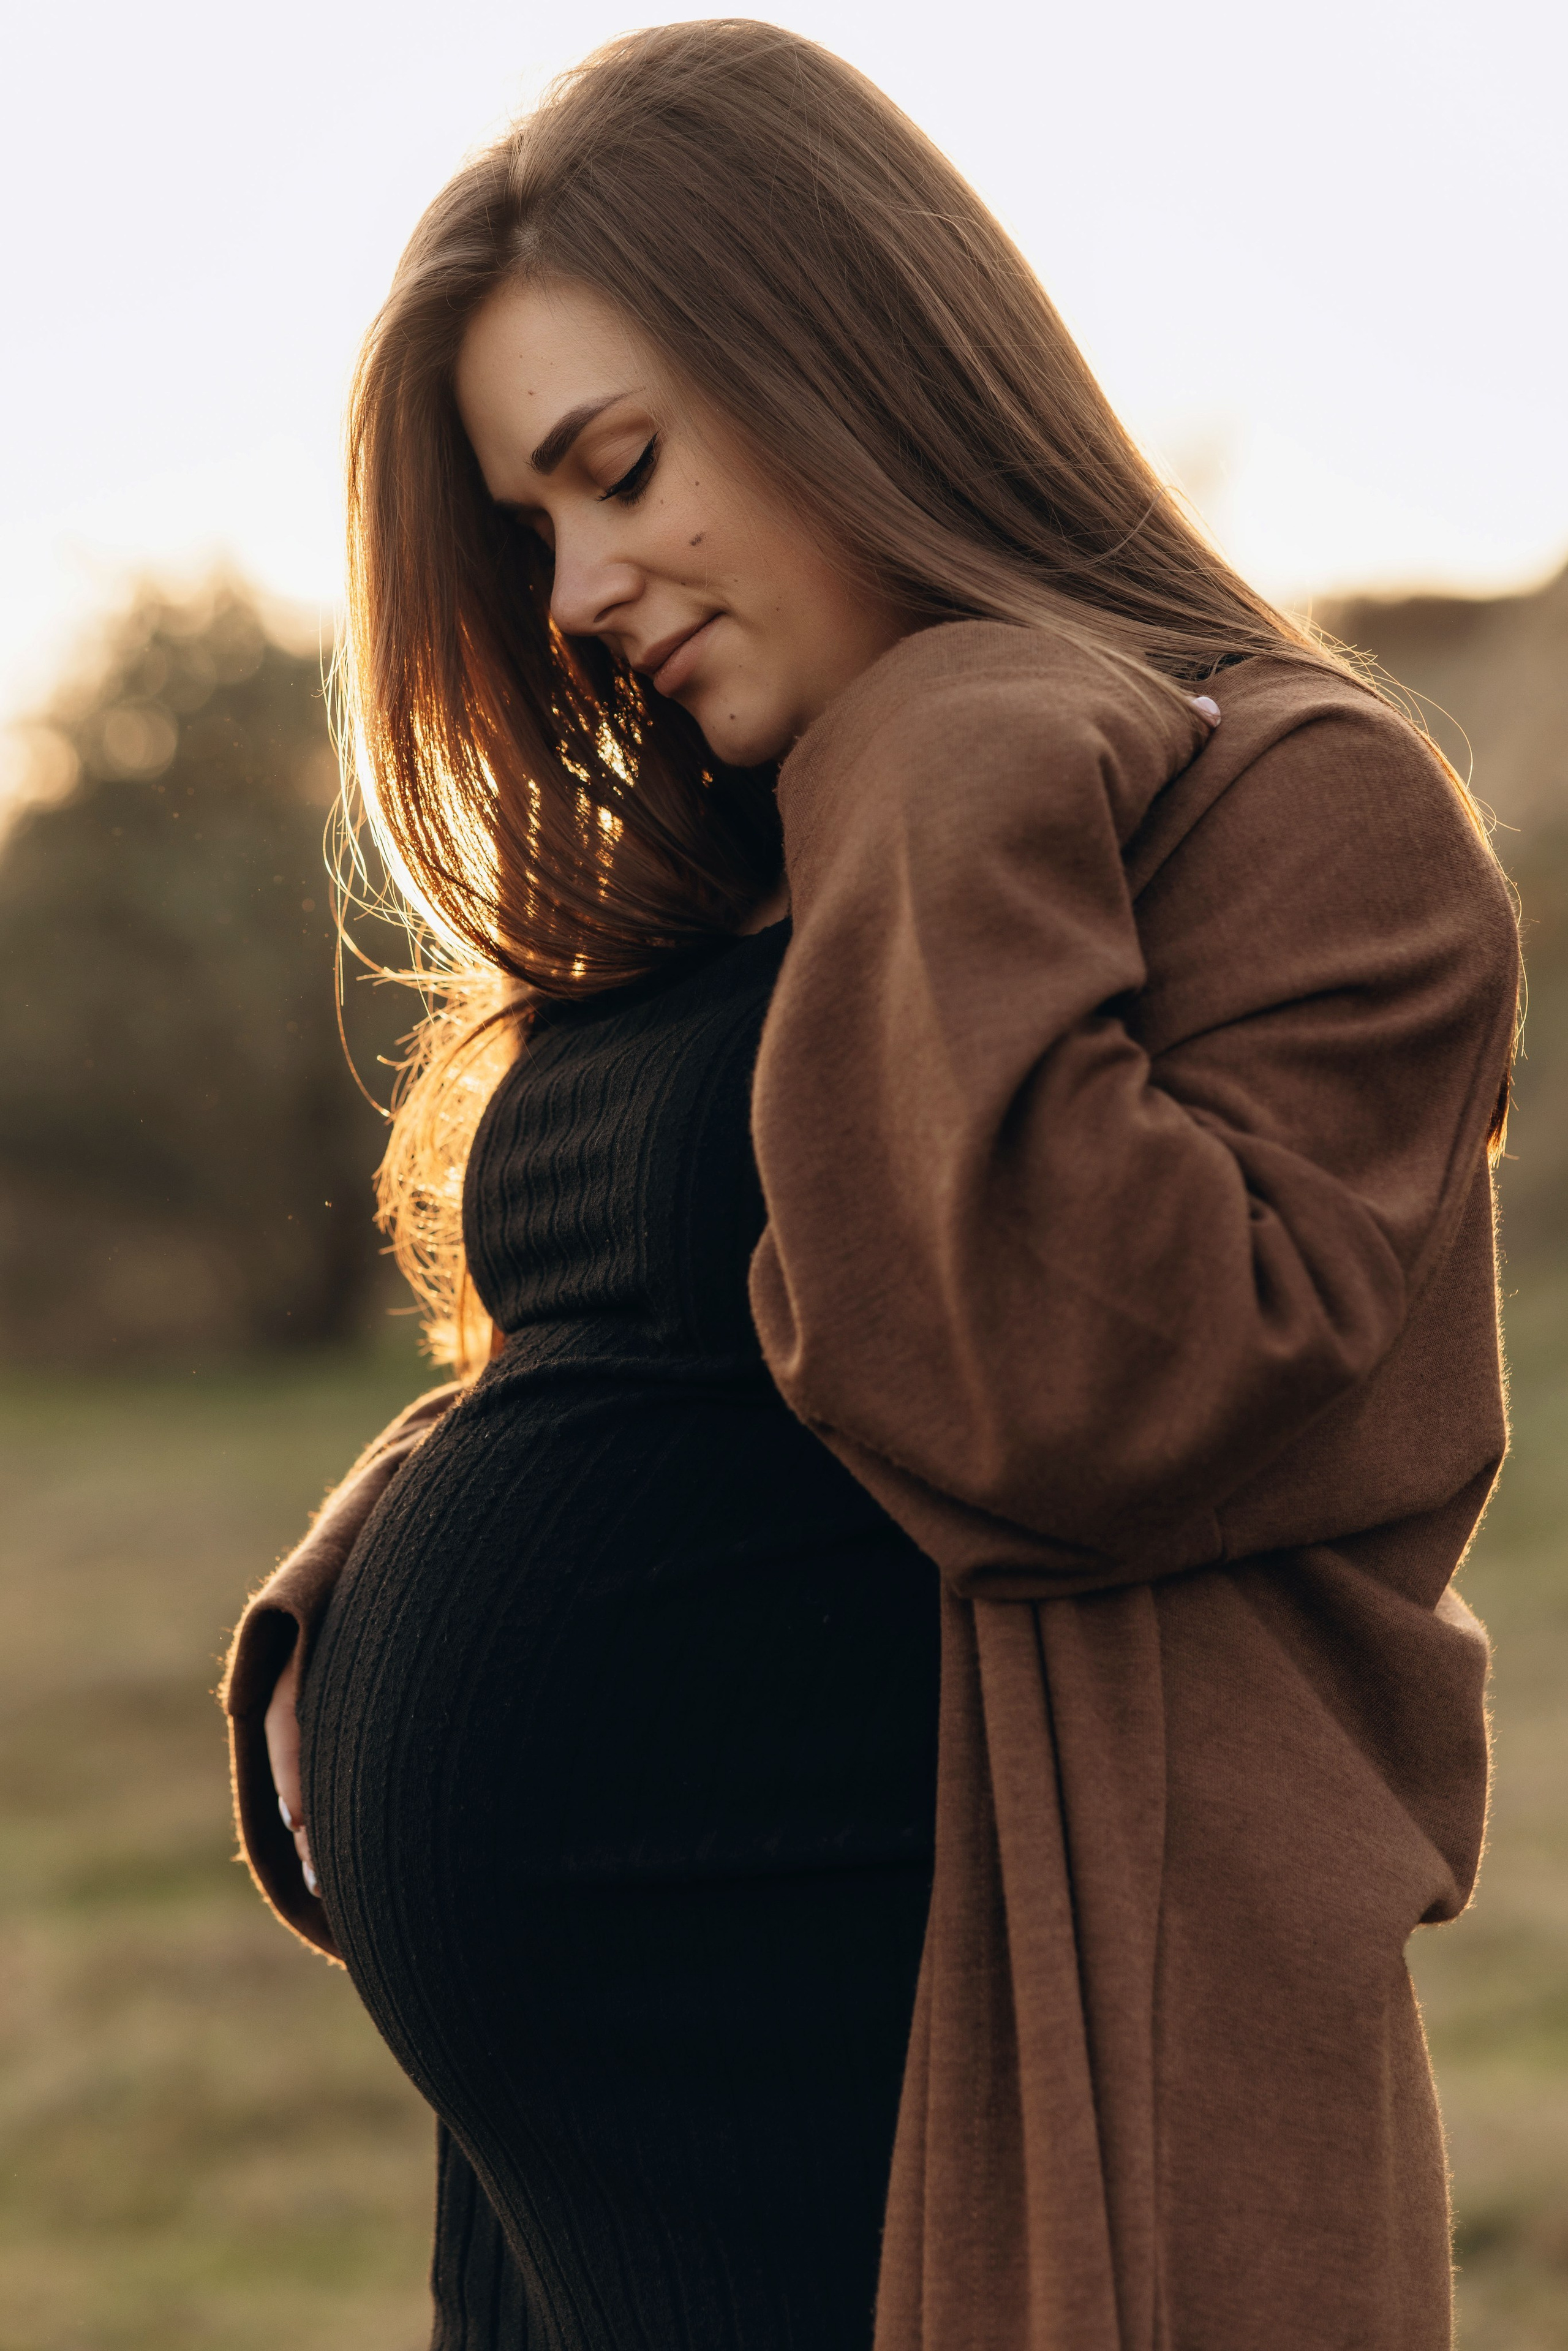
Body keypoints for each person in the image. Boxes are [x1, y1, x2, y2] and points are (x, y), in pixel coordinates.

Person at [221, 21, 1520, 2350]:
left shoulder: (1287, 819)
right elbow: (678, 1318)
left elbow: (1077, 1387)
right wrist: (384, 1547)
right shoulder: (763, 858)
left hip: (951, 2134)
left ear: (846, 368)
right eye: (535, 531)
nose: (578, 590)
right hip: (597, 2206)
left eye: (615, 472)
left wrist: (949, 721)